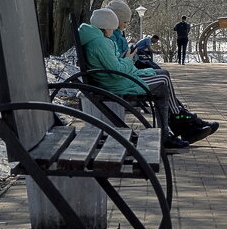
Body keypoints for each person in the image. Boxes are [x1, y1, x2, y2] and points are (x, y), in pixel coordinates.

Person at [79, 8, 217, 145]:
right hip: (116, 82)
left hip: (116, 79)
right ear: (106, 27)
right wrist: (129, 58)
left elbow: (113, 65)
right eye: (112, 28)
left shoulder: (97, 40)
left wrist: (127, 57)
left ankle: (177, 122)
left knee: (163, 75)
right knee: (163, 82)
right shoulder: (100, 43)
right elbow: (116, 69)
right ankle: (174, 122)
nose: (113, 31)